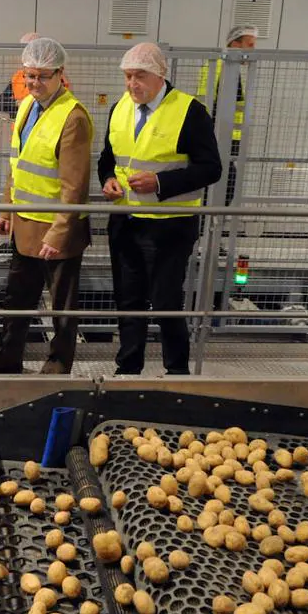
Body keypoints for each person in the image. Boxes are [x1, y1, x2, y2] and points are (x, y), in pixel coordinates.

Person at [100, 43, 222, 376]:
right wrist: (108, 179)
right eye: (127, 76)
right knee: (128, 299)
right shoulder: (120, 109)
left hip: (170, 226)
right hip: (126, 221)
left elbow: (211, 168)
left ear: (160, 76)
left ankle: (177, 372)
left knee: (166, 302)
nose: (131, 84)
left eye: (139, 76)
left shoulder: (189, 112)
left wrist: (159, 183)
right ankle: (128, 368)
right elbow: (107, 160)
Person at [0, 37, 92, 375]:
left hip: (57, 230)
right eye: (29, 76)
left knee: (62, 306)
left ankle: (58, 363)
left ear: (60, 74)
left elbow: (74, 185)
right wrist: (8, 207)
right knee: (18, 298)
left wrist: (58, 234)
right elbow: (18, 163)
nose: (34, 83)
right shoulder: (26, 106)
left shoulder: (73, 117)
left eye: (41, 76)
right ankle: (8, 357)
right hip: (25, 225)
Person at [196, 25, 256, 204]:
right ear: (236, 45)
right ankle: (208, 224)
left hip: (219, 137)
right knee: (224, 186)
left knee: (222, 183)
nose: (254, 50)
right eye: (250, 45)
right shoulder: (226, 68)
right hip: (219, 138)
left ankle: (209, 224)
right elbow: (216, 107)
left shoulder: (221, 66)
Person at [0, 32, 73, 113]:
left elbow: (56, 105)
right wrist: (19, 104)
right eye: (31, 76)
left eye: (43, 77)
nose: (36, 83)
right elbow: (1, 103)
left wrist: (28, 106)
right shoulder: (18, 76)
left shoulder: (57, 77)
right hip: (21, 124)